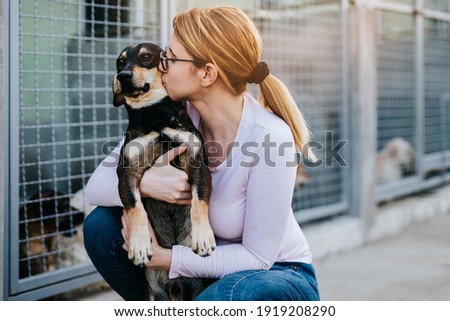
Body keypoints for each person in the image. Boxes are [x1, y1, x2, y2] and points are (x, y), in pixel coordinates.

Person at [83, 6, 320, 301]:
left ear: (207, 73)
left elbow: (258, 258)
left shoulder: (270, 137)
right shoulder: (173, 115)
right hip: (200, 269)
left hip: (274, 275)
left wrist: (166, 258)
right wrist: (145, 184)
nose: (161, 66)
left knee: (229, 293)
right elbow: (95, 188)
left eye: (169, 57)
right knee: (101, 226)